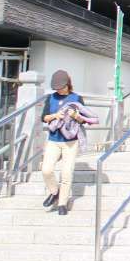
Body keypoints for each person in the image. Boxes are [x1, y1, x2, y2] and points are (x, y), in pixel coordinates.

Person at [40, 70, 88, 215]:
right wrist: (55, 115)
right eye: (56, 88)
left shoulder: (77, 98)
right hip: (53, 139)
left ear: (67, 84)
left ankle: (62, 203)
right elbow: (44, 118)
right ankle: (55, 192)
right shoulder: (51, 98)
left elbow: (85, 120)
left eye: (61, 87)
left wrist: (76, 116)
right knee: (46, 170)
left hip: (70, 142)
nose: (58, 90)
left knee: (66, 173)